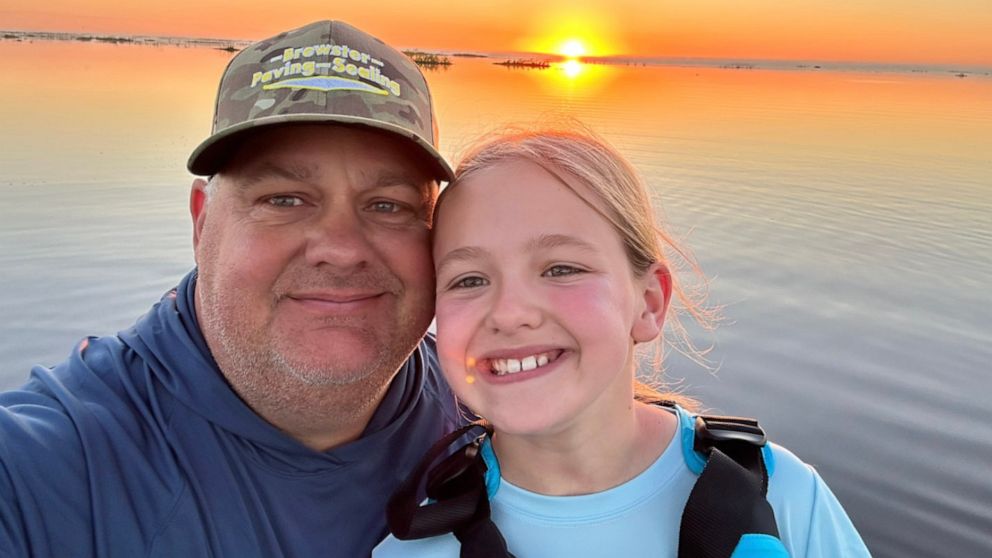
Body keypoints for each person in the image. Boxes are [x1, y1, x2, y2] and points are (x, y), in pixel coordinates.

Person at [0, 20, 464, 557]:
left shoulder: (492, 413)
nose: (341, 247)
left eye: (389, 205)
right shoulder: (45, 469)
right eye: (285, 199)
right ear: (201, 224)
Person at [373, 127, 872, 557]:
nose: (509, 313)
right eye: (468, 280)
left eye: (562, 269)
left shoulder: (781, 497)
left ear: (649, 303)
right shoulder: (417, 543)